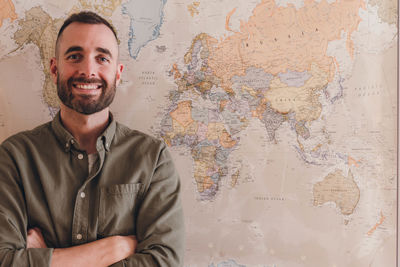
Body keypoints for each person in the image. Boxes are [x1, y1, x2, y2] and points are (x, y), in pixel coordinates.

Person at [0, 11, 184, 266]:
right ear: (54, 69)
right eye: (75, 56)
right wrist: (114, 248)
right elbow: (5, 260)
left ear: (118, 74)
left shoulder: (153, 159)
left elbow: (165, 261)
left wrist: (47, 259)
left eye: (102, 58)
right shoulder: (15, 157)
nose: (88, 70)